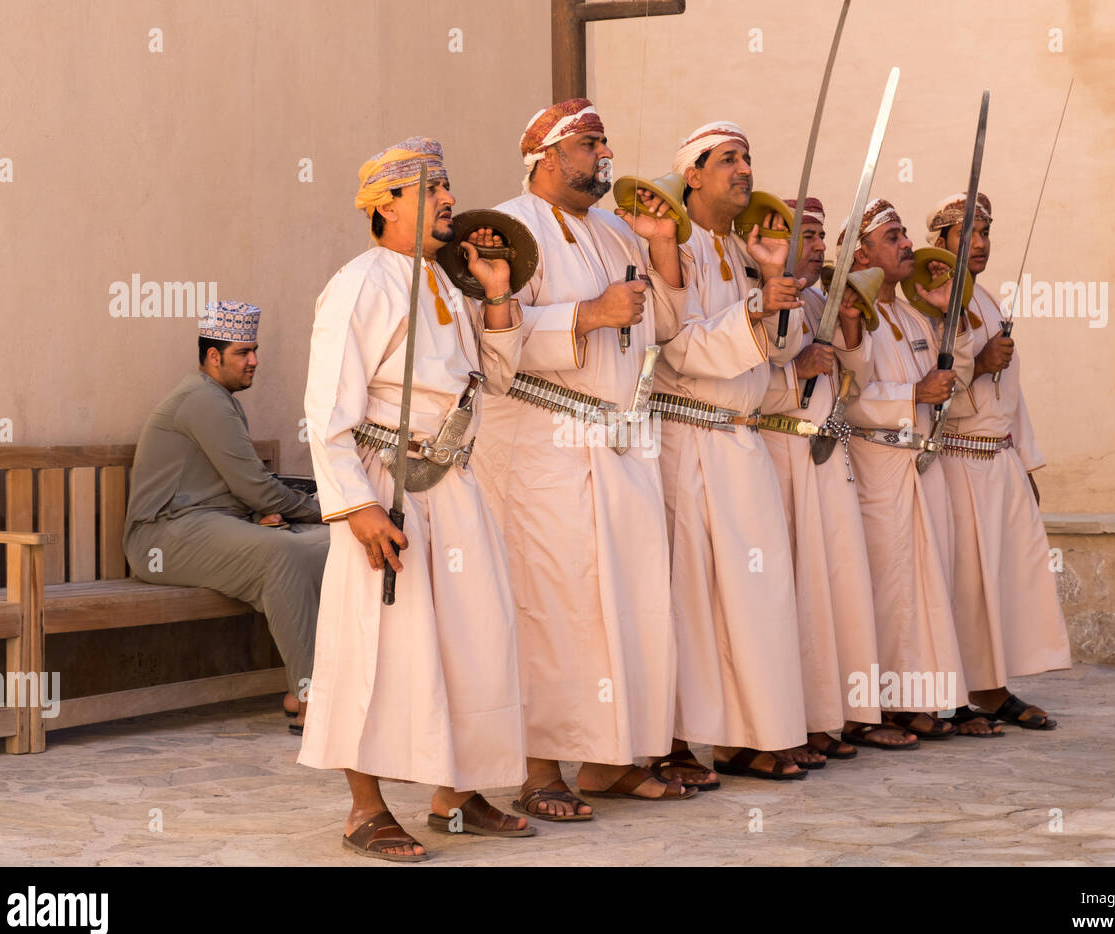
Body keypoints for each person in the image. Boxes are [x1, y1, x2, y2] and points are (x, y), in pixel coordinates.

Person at [299, 137, 532, 862]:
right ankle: (364, 810)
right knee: (374, 644)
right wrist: (357, 506)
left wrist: (495, 294)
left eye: (448, 189)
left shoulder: (447, 282)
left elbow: (494, 379)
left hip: (455, 484)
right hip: (384, 483)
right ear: (383, 205)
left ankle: (454, 796)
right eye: (430, 191)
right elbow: (326, 408)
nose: (448, 204)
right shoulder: (359, 283)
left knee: (473, 637)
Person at [469, 98, 696, 821]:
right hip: (541, 445)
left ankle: (606, 761)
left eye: (604, 143)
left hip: (619, 442)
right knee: (554, 608)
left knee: (626, 606)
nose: (605, 154)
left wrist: (659, 249)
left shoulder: (612, 229)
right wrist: (588, 315)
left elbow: (661, 326)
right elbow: (488, 339)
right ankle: (539, 769)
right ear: (547, 155)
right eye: (590, 143)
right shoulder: (505, 229)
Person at [647, 122, 811, 783]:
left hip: (742, 439)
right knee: (689, 595)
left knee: (753, 593)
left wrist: (771, 285)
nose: (744, 169)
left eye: (748, 157)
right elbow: (671, 344)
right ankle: (678, 740)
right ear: (692, 174)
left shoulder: (744, 250)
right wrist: (752, 310)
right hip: (685, 438)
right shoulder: (665, 247)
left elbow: (779, 350)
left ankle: (748, 733)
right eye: (727, 160)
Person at [124, 300, 329, 735]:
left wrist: (276, 516)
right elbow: (253, 485)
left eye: (255, 350)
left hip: (211, 525)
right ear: (213, 357)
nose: (254, 361)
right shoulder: (202, 400)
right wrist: (326, 510)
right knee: (283, 556)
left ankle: (305, 689)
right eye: (242, 353)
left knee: (329, 545)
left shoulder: (219, 398)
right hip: (162, 537)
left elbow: (241, 487)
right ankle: (313, 698)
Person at [759, 197, 918, 755]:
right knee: (794, 591)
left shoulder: (823, 298)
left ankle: (838, 714)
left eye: (823, 236)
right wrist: (793, 375)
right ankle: (790, 723)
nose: (820, 247)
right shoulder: (762, 292)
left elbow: (858, 372)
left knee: (838, 589)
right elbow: (738, 377)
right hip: (776, 449)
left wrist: (849, 322)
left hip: (826, 456)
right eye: (808, 235)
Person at [833, 198, 978, 741]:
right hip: (876, 464)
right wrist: (911, 394)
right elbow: (847, 394)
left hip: (920, 465)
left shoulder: (912, 314)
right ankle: (870, 712)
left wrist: (948, 316)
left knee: (919, 588)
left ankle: (912, 698)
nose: (906, 245)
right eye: (892, 236)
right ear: (862, 251)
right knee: (884, 589)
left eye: (903, 235)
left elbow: (952, 387)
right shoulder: (851, 310)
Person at [927, 192, 1071, 729]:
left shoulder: (984, 299)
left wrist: (1026, 464)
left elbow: (1013, 396)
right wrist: (980, 363)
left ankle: (992, 687)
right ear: (938, 241)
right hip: (958, 461)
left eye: (986, 232)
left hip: (1000, 463)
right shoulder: (931, 300)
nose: (981, 244)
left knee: (1003, 579)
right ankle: (957, 694)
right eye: (968, 234)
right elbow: (933, 391)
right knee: (965, 582)